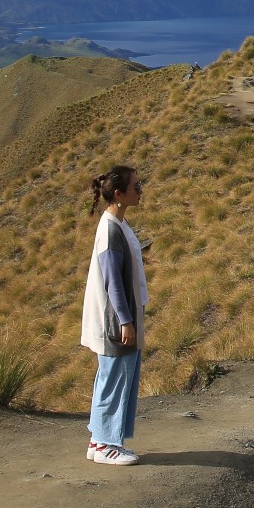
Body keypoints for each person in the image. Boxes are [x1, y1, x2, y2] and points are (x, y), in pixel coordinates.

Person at [81, 163, 148, 466]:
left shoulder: (117, 224)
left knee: (110, 377)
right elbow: (113, 283)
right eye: (136, 186)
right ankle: (108, 444)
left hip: (117, 316)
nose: (140, 190)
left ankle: (99, 440)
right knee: (116, 377)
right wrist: (125, 320)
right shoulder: (111, 229)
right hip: (115, 319)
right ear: (119, 194)